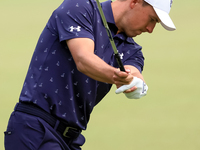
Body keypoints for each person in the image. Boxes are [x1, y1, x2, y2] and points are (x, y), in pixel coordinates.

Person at [4, 0, 176, 149]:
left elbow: (134, 71)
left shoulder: (132, 50)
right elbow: (83, 59)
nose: (151, 29)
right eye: (152, 19)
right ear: (134, 2)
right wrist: (115, 75)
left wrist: (136, 83)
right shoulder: (80, 7)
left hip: (71, 139)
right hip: (35, 129)